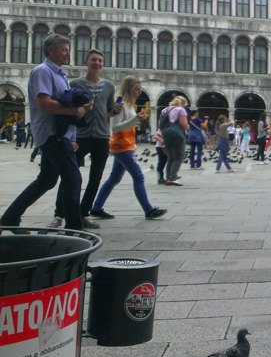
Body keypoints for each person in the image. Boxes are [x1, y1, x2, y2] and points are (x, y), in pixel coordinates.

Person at [1, 35, 94, 230]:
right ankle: (74, 228)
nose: (68, 53)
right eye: (64, 49)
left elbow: (65, 103)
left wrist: (72, 136)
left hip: (61, 134)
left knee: (47, 180)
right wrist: (78, 111)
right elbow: (45, 103)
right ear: (51, 51)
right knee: (72, 177)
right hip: (52, 134)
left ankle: (10, 217)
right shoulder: (42, 71)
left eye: (68, 49)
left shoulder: (60, 74)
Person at [48, 49, 117, 229]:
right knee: (69, 176)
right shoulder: (75, 84)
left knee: (96, 178)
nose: (97, 63)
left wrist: (114, 111)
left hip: (101, 136)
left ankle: (83, 213)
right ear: (86, 62)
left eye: (100, 60)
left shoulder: (109, 86)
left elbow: (108, 110)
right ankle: (59, 214)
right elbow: (68, 110)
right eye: (94, 60)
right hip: (81, 136)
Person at [90, 76, 167, 220]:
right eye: (136, 90)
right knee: (138, 176)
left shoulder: (130, 104)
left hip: (126, 145)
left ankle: (96, 207)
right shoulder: (120, 103)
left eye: (139, 89)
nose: (139, 92)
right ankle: (148, 209)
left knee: (114, 178)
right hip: (121, 145)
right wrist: (136, 119)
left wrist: (136, 120)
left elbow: (127, 124)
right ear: (129, 89)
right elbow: (115, 127)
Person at [160, 96, 189, 186]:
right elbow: (183, 124)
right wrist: (187, 127)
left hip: (165, 133)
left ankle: (168, 177)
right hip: (176, 133)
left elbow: (159, 123)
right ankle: (172, 177)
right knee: (179, 156)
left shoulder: (164, 110)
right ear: (183, 103)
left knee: (171, 156)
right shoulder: (181, 109)